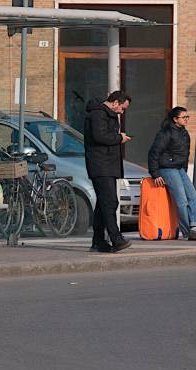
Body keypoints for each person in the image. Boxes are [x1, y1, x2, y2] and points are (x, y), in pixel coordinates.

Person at [84, 90, 133, 253]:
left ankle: (98, 241)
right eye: (122, 108)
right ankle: (116, 238)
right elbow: (99, 137)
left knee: (103, 204)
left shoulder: (106, 114)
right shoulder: (98, 114)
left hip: (108, 165)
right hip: (101, 165)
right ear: (115, 103)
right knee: (110, 202)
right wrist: (119, 138)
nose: (122, 112)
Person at [148, 107, 196, 240]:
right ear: (175, 119)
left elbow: (185, 154)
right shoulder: (165, 133)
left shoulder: (184, 133)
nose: (186, 119)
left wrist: (184, 170)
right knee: (182, 201)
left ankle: (194, 226)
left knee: (193, 196)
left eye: (188, 117)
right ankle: (188, 233)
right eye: (184, 117)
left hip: (180, 168)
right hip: (167, 168)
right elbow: (154, 153)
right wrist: (155, 174)